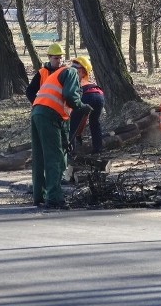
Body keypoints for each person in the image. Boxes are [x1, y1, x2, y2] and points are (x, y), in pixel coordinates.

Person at [30, 61, 92, 209]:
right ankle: (54, 198)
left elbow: (64, 116)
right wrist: (82, 106)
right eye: (83, 76)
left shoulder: (58, 75)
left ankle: (39, 196)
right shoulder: (71, 73)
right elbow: (70, 96)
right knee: (55, 158)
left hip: (38, 113)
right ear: (82, 71)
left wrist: (65, 140)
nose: (82, 80)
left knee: (40, 157)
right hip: (49, 115)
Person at [68, 56, 105, 154]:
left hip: (89, 96)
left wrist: (78, 133)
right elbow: (84, 117)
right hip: (99, 95)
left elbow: (80, 118)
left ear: (83, 71)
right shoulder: (87, 81)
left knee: (72, 125)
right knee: (95, 122)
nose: (72, 70)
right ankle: (98, 149)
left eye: (75, 68)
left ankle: (71, 153)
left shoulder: (75, 82)